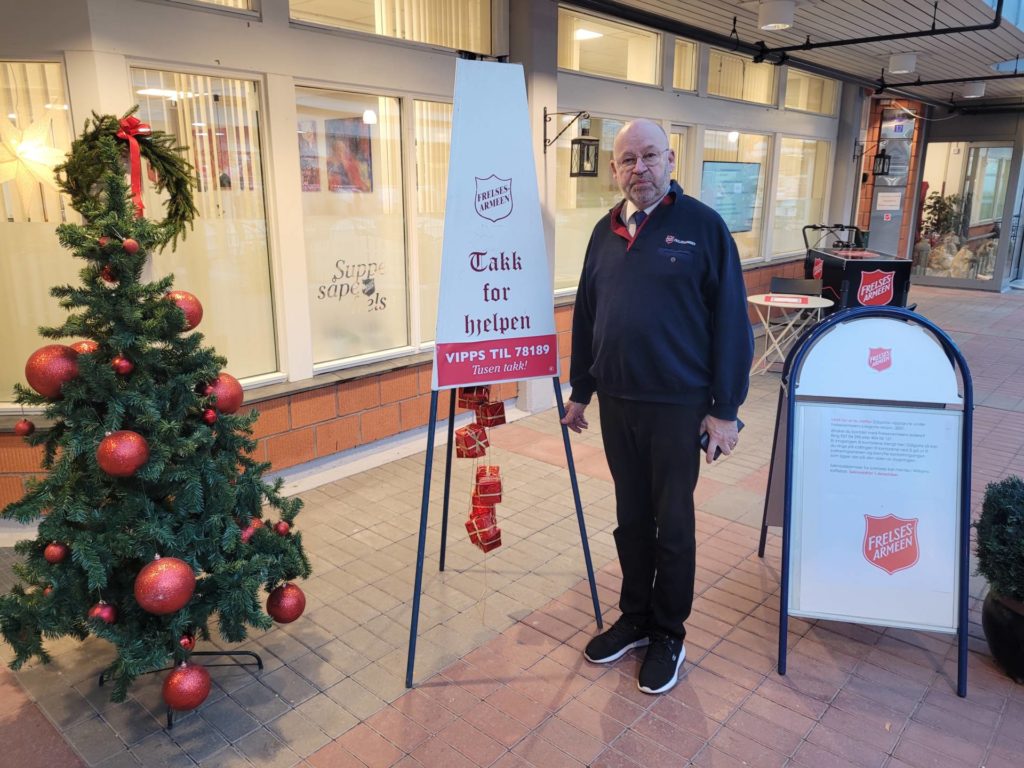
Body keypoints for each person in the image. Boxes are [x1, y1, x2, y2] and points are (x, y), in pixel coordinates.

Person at [561, 119, 753, 695]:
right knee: (631, 519)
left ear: (670, 160)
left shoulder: (703, 228)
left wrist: (726, 408)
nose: (637, 169)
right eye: (626, 160)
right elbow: (588, 317)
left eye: (648, 156)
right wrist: (580, 390)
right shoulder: (605, 231)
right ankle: (636, 617)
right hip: (620, 404)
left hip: (677, 407)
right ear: (614, 169)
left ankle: (669, 631)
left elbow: (731, 326)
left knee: (673, 522)